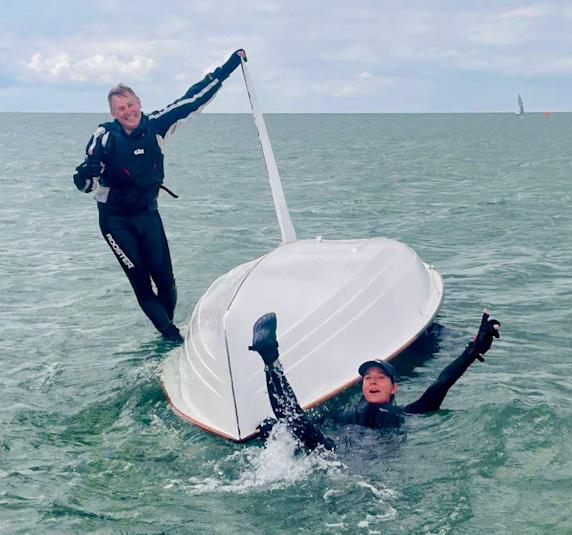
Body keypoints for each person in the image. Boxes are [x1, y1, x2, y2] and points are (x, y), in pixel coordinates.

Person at [72, 49, 246, 342]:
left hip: (148, 214)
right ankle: (172, 338)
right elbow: (87, 185)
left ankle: (168, 333)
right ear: (113, 114)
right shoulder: (105, 137)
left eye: (130, 104)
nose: (127, 112)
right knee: (141, 282)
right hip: (115, 221)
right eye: (120, 109)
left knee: (166, 281)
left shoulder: (157, 126)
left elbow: (193, 99)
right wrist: (81, 177)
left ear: (139, 102)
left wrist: (228, 66)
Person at [248, 310, 501, 450]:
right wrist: (278, 431)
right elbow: (308, 426)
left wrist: (473, 350)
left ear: (394, 388)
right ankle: (270, 358)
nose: (373, 381)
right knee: (295, 423)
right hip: (330, 454)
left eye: (381, 377)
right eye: (368, 377)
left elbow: (441, 383)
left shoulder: (407, 413)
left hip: (368, 470)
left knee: (296, 424)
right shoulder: (343, 414)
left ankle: (271, 360)